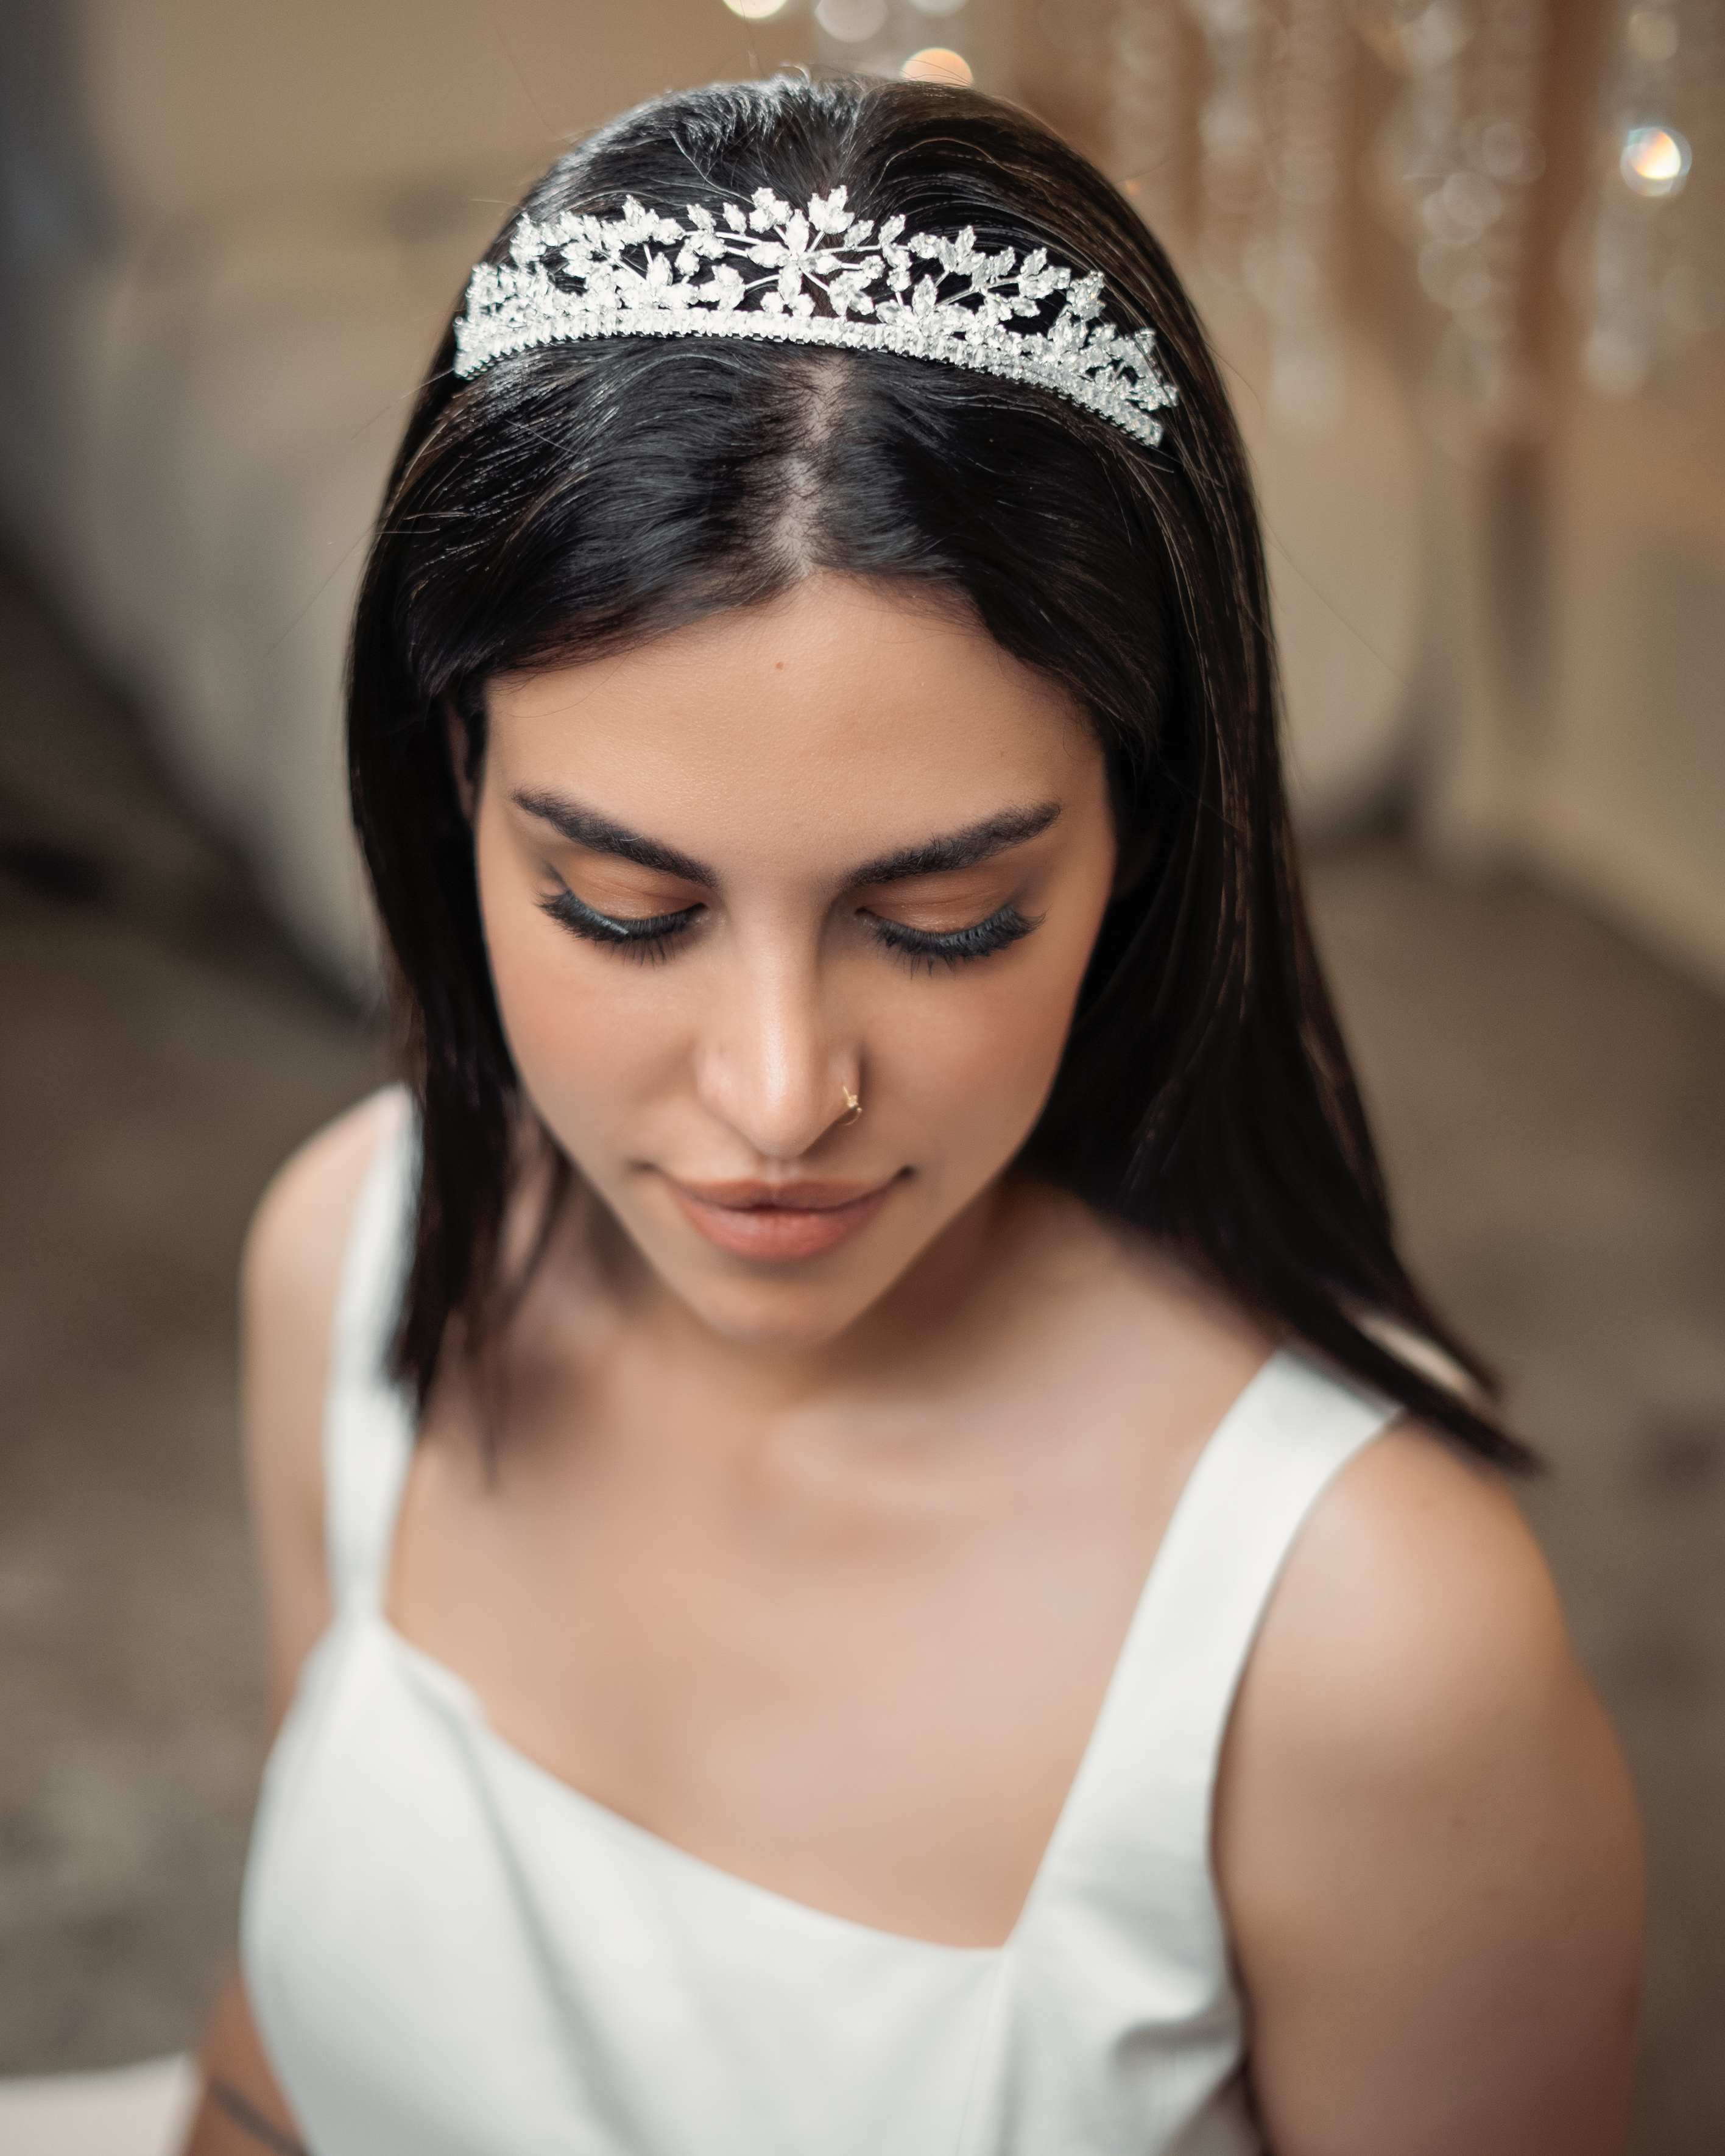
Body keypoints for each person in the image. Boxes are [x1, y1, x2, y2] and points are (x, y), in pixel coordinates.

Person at [183, 72, 1642, 2156]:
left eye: (948, 919)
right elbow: (272, 2074)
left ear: (1143, 836)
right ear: (450, 790)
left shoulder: (1367, 1647)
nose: (781, 1095)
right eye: (622, 905)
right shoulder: (348, 1262)